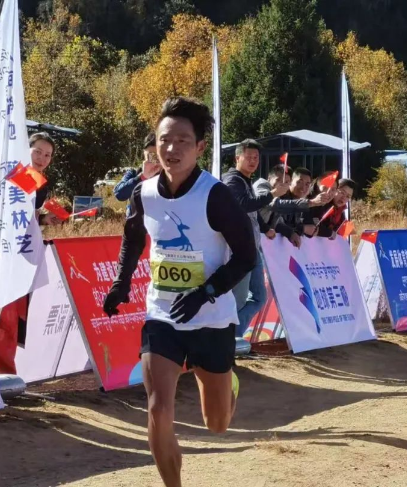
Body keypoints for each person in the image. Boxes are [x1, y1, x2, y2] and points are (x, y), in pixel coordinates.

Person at [103, 97, 255, 487]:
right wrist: (121, 283)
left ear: (200, 147)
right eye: (164, 140)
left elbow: (246, 256)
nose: (171, 148)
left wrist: (206, 292)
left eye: (183, 140)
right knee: (158, 408)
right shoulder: (144, 193)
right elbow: (133, 239)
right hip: (163, 314)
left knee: (217, 423)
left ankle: (228, 383)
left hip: (212, 317)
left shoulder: (215, 195)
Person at [0, 131, 59, 373]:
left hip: (19, 256)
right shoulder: (4, 169)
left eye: (47, 155)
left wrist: (42, 218)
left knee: (10, 316)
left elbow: (23, 216)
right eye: (37, 152)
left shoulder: (35, 180)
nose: (42, 158)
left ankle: (4, 370)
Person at [222, 140, 304, 338]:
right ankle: (226, 341)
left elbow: (253, 212)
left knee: (259, 298)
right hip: (238, 251)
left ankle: (233, 338)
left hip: (253, 249)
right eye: (248, 157)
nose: (253, 161)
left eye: (256, 158)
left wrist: (266, 228)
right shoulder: (232, 180)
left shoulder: (246, 180)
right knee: (238, 300)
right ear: (237, 158)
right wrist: (273, 194)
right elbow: (244, 205)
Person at [255, 165, 331, 248]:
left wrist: (291, 233)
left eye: (286, 182)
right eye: (278, 180)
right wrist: (311, 202)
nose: (282, 185)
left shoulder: (283, 196)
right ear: (269, 178)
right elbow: (274, 204)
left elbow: (277, 222)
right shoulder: (262, 186)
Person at [113, 132, 161, 202]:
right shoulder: (134, 173)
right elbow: (119, 194)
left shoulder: (170, 176)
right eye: (151, 156)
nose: (154, 161)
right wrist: (142, 177)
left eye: (158, 156)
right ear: (144, 154)